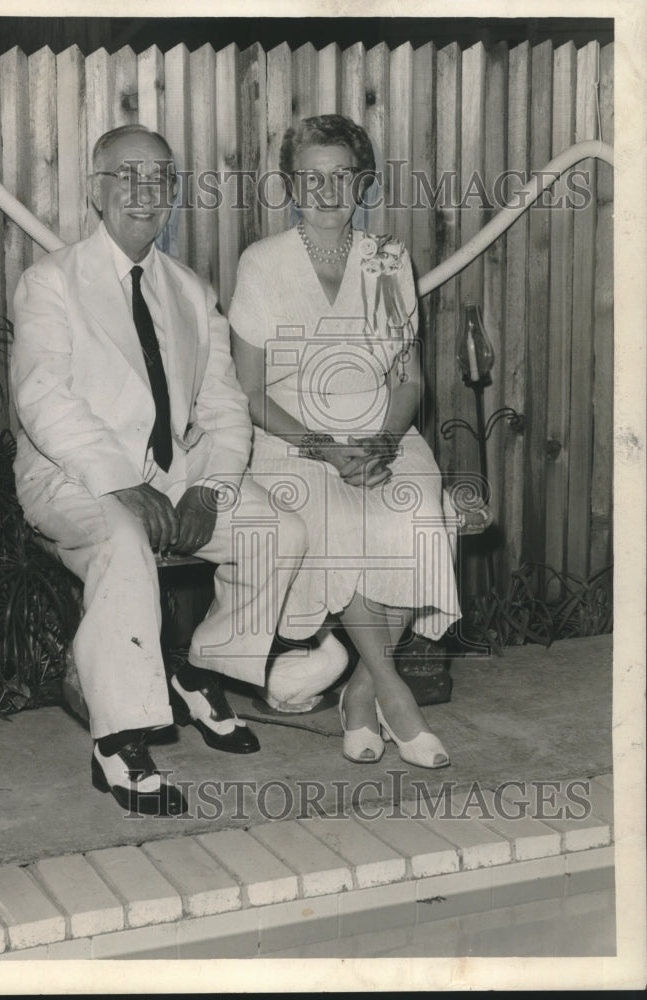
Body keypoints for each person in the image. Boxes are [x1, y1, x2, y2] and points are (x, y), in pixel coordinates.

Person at [10, 124, 313, 817]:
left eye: (160, 179)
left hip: (172, 473)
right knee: (122, 540)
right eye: (128, 175)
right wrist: (120, 482)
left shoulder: (188, 288)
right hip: (71, 474)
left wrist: (208, 486)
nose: (145, 192)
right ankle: (118, 742)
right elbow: (42, 398)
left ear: (173, 194)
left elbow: (226, 403)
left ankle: (198, 666)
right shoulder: (49, 282)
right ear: (96, 189)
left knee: (280, 531)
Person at [229, 114, 462, 769]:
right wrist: (327, 449)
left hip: (383, 431)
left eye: (342, 177)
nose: (327, 193)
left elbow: (409, 378)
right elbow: (250, 394)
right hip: (293, 441)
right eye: (312, 178)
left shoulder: (387, 260)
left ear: (361, 183)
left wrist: (386, 441)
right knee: (335, 518)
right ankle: (392, 691)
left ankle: (359, 695)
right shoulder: (263, 263)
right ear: (290, 186)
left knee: (421, 511)